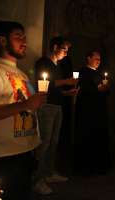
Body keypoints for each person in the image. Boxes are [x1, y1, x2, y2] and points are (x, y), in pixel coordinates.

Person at [0, 21, 46, 200]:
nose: (24, 41)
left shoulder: (22, 75)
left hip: (25, 153)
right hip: (3, 157)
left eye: (24, 36)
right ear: (2, 41)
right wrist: (25, 105)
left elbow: (29, 110)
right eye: (18, 36)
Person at [34, 36, 78, 195]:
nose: (66, 53)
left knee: (54, 142)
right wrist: (66, 81)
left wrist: (67, 93)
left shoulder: (57, 66)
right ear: (54, 47)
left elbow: (55, 89)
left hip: (57, 106)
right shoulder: (43, 63)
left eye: (68, 50)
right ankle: (37, 179)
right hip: (46, 107)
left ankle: (49, 173)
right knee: (44, 142)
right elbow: (44, 83)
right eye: (64, 49)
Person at [75, 50, 111, 174]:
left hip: (99, 110)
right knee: (88, 137)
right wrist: (97, 89)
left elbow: (105, 91)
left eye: (99, 60)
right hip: (88, 111)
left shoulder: (100, 73)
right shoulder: (82, 72)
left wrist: (105, 88)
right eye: (96, 59)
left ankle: (99, 165)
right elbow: (82, 89)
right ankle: (86, 167)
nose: (98, 62)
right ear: (88, 58)